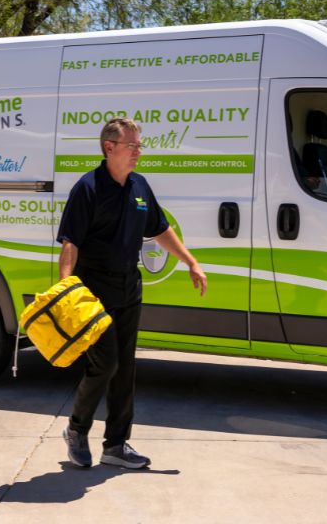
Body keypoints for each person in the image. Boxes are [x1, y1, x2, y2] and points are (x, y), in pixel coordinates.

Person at [57, 117, 207, 469]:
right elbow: (70, 242)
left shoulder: (139, 186)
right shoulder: (88, 188)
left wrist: (190, 261)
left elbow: (160, 229)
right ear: (110, 148)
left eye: (140, 145)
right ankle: (77, 430)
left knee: (125, 368)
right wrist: (66, 289)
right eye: (133, 145)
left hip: (129, 287)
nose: (139, 151)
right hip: (93, 291)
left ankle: (116, 446)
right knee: (105, 363)